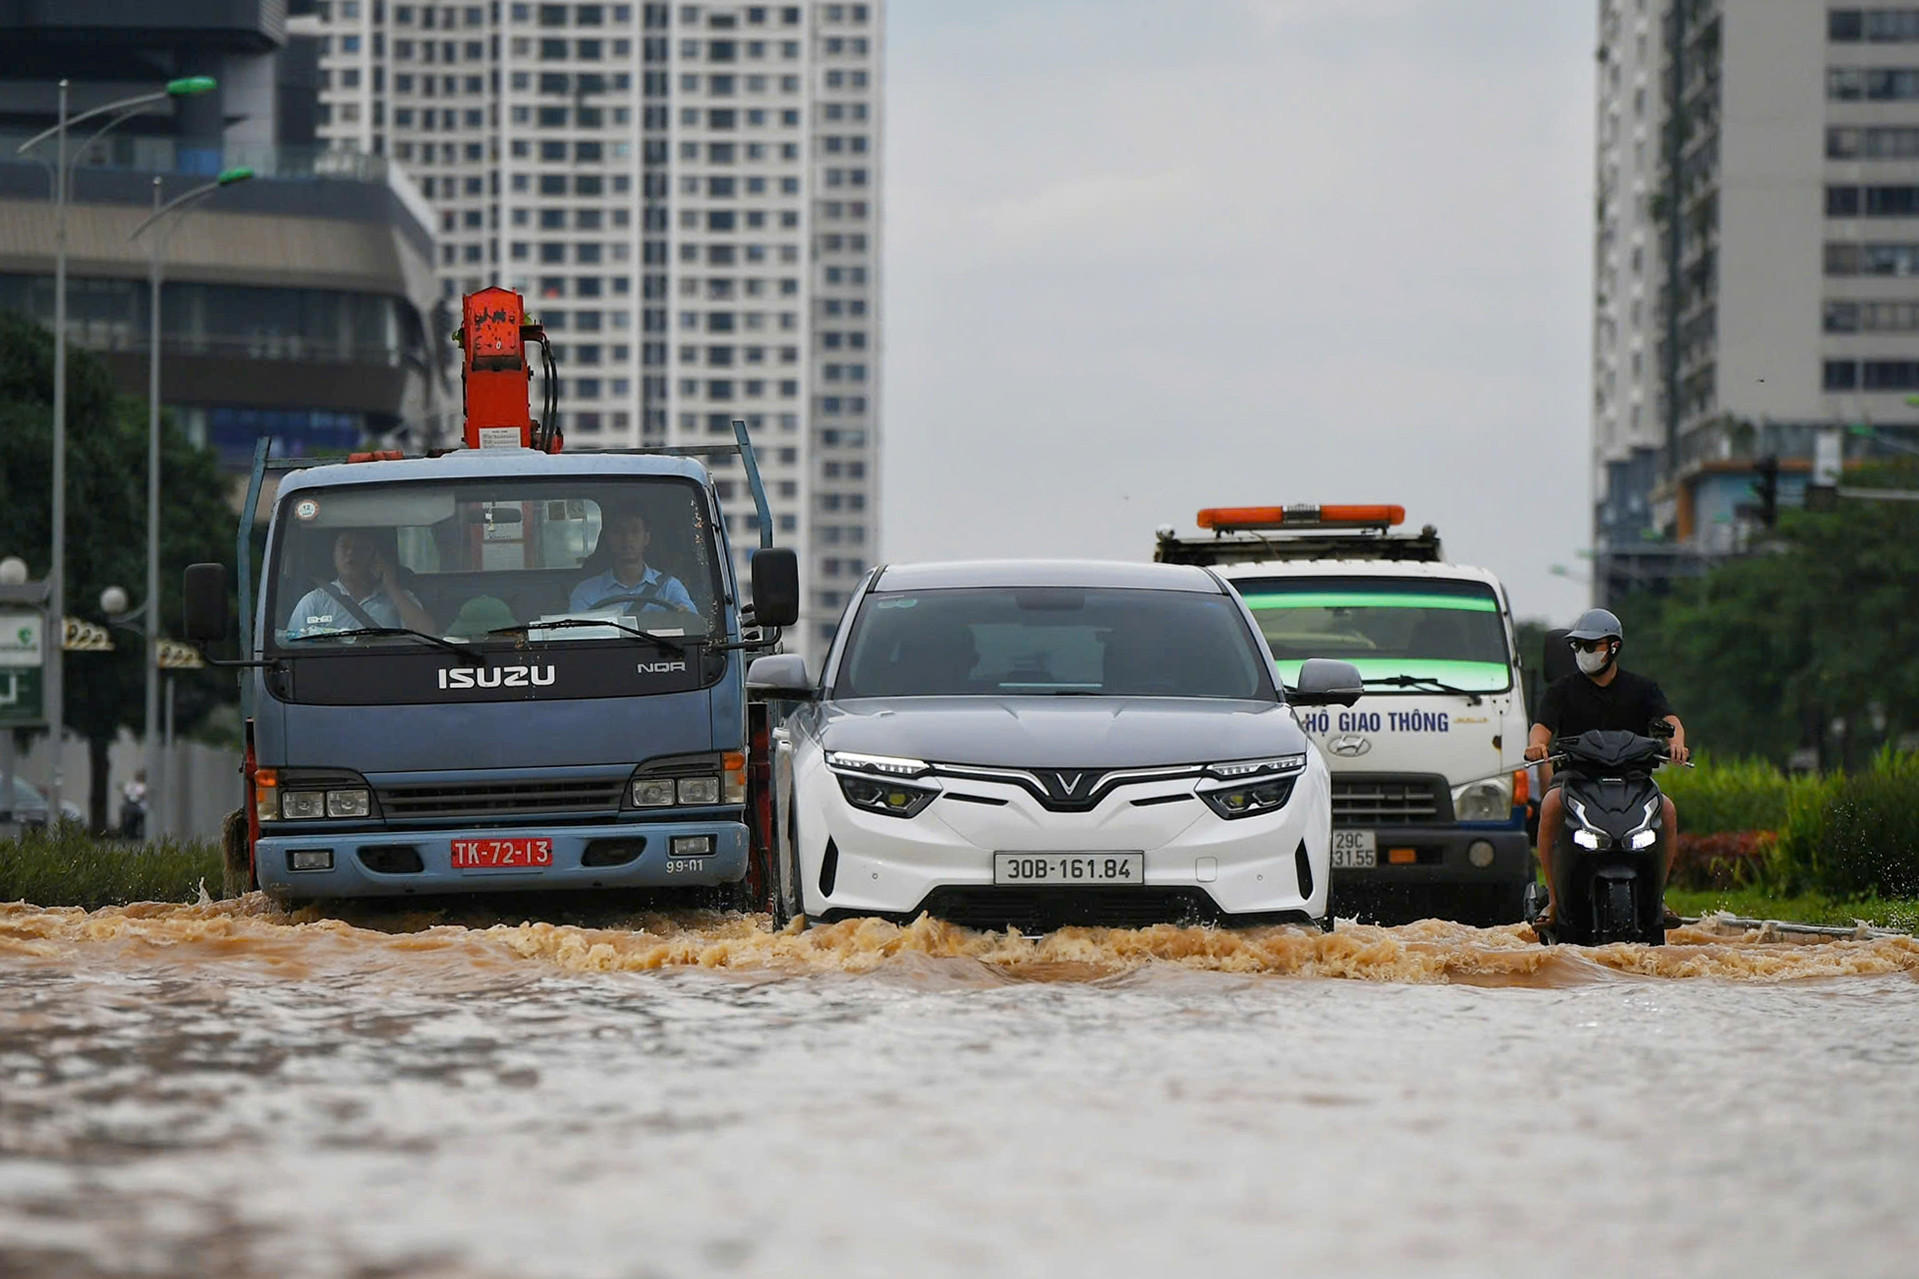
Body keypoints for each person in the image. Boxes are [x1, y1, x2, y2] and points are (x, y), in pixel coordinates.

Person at [1523, 608, 1690, 928]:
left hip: (1634, 782)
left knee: (1667, 811)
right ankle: (1555, 902)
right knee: (1549, 805)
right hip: (1576, 780)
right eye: (1577, 647)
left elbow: (1672, 723)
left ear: (1613, 648)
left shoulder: (1642, 689)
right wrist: (1537, 745)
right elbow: (1541, 729)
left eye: (1590, 646)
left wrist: (1676, 743)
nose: (1582, 653)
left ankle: (1658, 898)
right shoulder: (1561, 690)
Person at [284, 529, 436, 639]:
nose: (351, 553)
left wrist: (391, 584)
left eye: (361, 548)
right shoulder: (314, 602)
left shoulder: (400, 598)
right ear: (333, 555)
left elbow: (427, 634)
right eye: (344, 546)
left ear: (375, 557)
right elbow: (294, 646)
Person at [570, 505, 695, 615]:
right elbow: (577, 636)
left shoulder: (670, 588)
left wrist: (683, 615)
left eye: (635, 531)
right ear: (608, 538)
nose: (627, 539)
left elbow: (693, 625)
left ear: (646, 538)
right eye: (619, 532)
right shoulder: (586, 592)